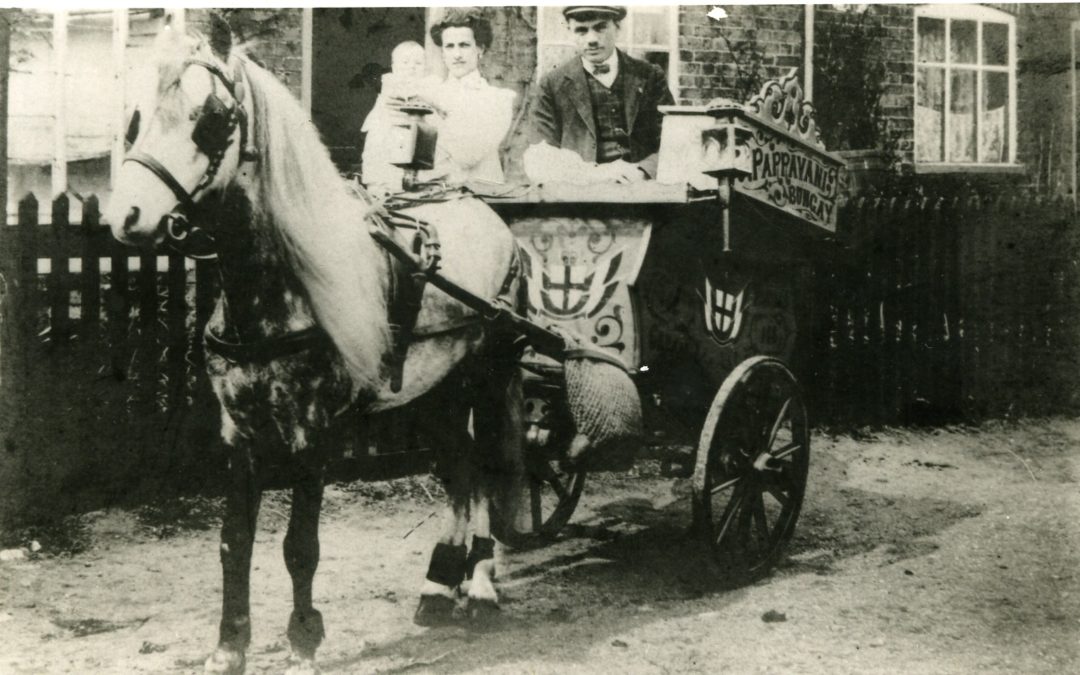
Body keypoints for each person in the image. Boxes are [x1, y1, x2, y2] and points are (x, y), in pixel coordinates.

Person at [523, 5, 675, 185]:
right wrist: (593, 175)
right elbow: (541, 154)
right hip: (581, 196)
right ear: (569, 31)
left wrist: (643, 171)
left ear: (618, 27)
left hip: (643, 190)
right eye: (581, 30)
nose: (592, 39)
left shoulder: (649, 77)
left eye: (600, 27)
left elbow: (674, 143)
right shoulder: (551, 85)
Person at [425, 8, 516, 185]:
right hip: (435, 198)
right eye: (449, 46)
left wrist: (433, 116)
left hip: (481, 196)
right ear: (443, 53)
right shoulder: (432, 94)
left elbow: (467, 156)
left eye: (464, 45)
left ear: (480, 49)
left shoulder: (498, 99)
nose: (457, 55)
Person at [360, 41, 433, 192]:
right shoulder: (390, 83)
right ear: (393, 67)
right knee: (378, 152)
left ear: (425, 68)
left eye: (418, 63)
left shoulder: (428, 87)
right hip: (387, 131)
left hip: (414, 139)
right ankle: (377, 185)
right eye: (405, 62)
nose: (411, 67)